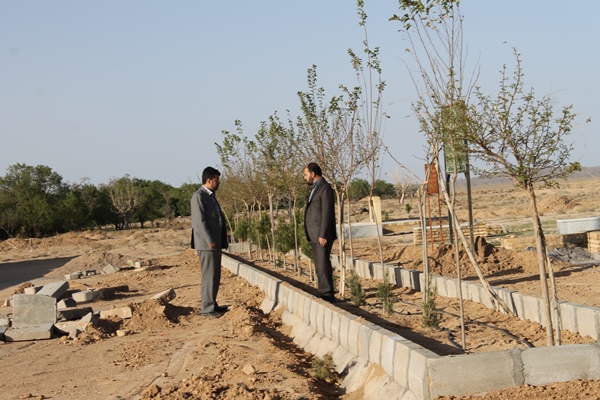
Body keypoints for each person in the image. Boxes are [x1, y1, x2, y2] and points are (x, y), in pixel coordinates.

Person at [191, 166, 229, 317]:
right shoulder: (198, 196)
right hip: (207, 244)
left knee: (215, 276)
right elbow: (199, 222)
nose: (218, 183)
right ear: (209, 180)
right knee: (208, 276)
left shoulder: (210, 196)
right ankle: (207, 309)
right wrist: (209, 239)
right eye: (216, 180)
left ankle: (212, 304)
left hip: (214, 243)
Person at [303, 162, 337, 302]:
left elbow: (327, 213)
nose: (304, 177)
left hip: (321, 235)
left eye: (306, 174)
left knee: (323, 264)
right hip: (315, 234)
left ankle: (327, 294)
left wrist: (323, 234)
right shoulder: (315, 188)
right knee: (319, 264)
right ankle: (323, 291)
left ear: (313, 174)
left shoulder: (325, 188)